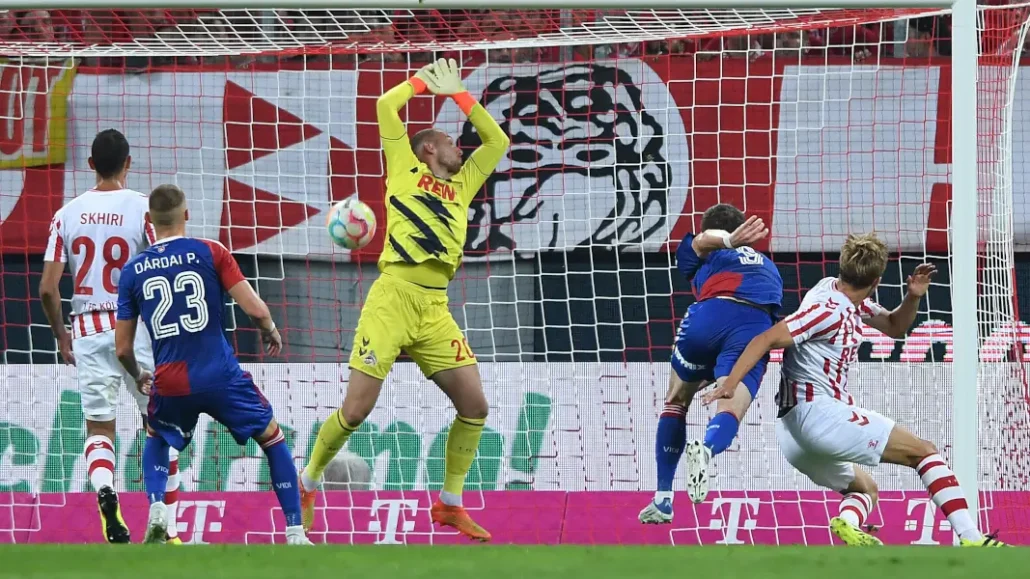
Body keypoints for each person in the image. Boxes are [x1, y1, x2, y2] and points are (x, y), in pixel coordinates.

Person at [299, 58, 509, 542]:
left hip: (435, 307)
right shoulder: (404, 165)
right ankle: (307, 483)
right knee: (355, 411)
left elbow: (498, 141)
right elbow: (384, 105)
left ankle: (450, 505)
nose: (462, 150)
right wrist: (420, 82)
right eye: (453, 143)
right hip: (393, 297)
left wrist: (458, 93)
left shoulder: (464, 182)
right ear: (429, 148)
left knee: (475, 405)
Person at [707, 233, 1004, 547]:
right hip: (818, 415)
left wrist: (913, 296)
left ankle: (848, 524)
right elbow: (765, 339)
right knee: (924, 451)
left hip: (793, 435)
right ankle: (972, 538)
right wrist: (729, 385)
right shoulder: (828, 312)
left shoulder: (833, 289)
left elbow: (894, 326)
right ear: (877, 280)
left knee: (865, 489)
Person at [114, 184, 310, 545]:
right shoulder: (210, 251)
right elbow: (256, 309)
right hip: (220, 374)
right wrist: (269, 330)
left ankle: (158, 505)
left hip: (171, 379)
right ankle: (295, 530)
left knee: (156, 437)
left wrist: (139, 375)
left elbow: (123, 347)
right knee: (272, 438)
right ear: (187, 215)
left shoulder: (132, 270)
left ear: (149, 221)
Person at [39, 129, 181, 544]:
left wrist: (62, 336)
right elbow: (163, 264)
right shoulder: (142, 209)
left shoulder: (66, 214)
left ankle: (105, 492)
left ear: (90, 166)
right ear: (129, 163)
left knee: (99, 429)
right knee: (158, 425)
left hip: (85, 328)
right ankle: (165, 525)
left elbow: (48, 288)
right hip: (133, 328)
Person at [640, 204, 777, 524]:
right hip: (751, 327)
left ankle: (662, 498)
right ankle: (708, 449)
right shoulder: (767, 265)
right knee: (731, 405)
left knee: (676, 400)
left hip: (706, 317)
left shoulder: (702, 254)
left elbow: (702, 240)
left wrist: (725, 241)